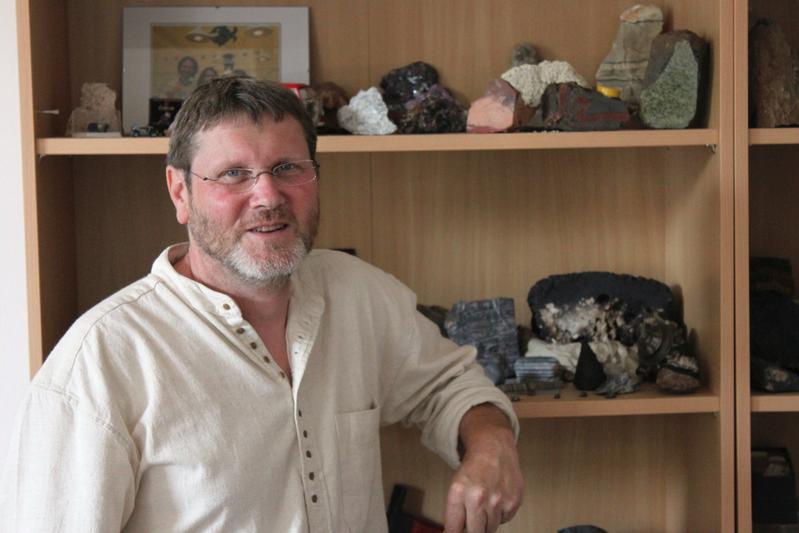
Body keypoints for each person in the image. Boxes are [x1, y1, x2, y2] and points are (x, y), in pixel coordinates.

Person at [0, 77, 523, 533]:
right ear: (179, 191)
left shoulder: (358, 294)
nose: (268, 196)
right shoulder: (99, 364)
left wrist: (490, 441)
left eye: (288, 167)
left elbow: (447, 383)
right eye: (233, 174)